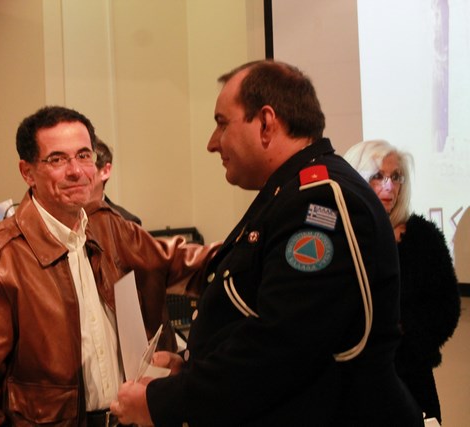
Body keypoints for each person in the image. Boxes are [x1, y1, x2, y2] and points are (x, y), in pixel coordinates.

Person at [110, 60, 423, 426]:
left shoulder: (320, 201)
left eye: (222, 123)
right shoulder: (289, 195)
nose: (212, 143)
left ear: (266, 123)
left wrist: (162, 402)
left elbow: (284, 347)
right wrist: (191, 368)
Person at [0, 106, 215, 426]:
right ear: (27, 172)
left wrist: (256, 245)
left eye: (84, 156)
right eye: (57, 159)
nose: (76, 171)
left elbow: (188, 263)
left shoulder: (110, 227)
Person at [344, 139, 460, 424]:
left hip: (410, 378)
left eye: (395, 177)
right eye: (378, 176)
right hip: (352, 382)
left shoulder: (423, 237)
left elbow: (446, 308)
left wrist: (403, 330)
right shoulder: (340, 236)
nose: (389, 186)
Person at [92, 137, 143, 225]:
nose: (76, 171)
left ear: (105, 171)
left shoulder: (126, 222)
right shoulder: (66, 217)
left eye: (86, 160)